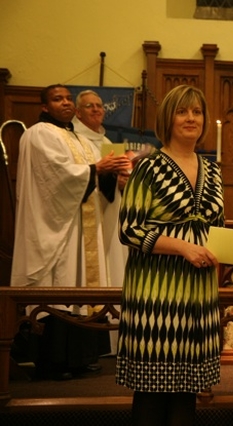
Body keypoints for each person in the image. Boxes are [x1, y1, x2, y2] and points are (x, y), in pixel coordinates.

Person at [115, 84, 224, 426]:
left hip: (199, 292)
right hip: (158, 292)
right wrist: (183, 247)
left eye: (197, 112)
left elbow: (217, 227)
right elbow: (129, 230)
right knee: (153, 391)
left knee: (186, 392)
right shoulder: (149, 167)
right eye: (183, 111)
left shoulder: (212, 170)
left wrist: (224, 250)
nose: (191, 118)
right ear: (168, 118)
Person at [10, 84, 130, 380]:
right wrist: (96, 169)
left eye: (67, 98)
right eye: (57, 99)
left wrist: (114, 174)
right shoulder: (39, 134)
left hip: (79, 227)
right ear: (44, 106)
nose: (65, 103)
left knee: (79, 288)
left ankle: (78, 357)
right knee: (60, 283)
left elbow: (95, 177)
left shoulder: (78, 137)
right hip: (56, 227)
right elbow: (55, 176)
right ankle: (52, 361)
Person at [73, 89, 130, 354]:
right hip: (89, 217)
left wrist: (121, 181)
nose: (96, 110)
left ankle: (114, 335)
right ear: (78, 111)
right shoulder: (74, 140)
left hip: (110, 211)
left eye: (99, 106)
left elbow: (110, 179)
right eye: (89, 106)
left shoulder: (106, 140)